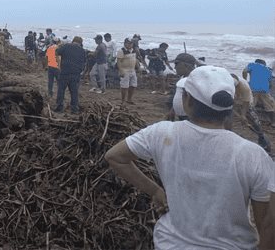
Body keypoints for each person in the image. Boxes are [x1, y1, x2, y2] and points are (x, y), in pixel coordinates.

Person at [105, 66, 273, 249]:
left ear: (186, 100)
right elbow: (266, 222)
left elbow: (115, 156)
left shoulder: (161, 132)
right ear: (229, 106)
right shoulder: (252, 154)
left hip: (169, 244)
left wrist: (155, 191)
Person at [54, 36, 86, 114]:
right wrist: (80, 71)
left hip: (65, 71)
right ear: (80, 43)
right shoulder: (82, 50)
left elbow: (56, 52)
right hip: (75, 73)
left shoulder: (67, 46)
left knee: (61, 90)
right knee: (74, 92)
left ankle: (59, 108)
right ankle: (74, 109)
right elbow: (84, 62)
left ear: (73, 41)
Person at [243, 59, 275, 125]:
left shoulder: (252, 65)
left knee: (251, 105)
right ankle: (273, 122)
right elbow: (270, 84)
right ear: (264, 64)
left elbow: (244, 71)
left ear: (256, 62)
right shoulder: (268, 70)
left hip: (254, 89)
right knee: (269, 106)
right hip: (264, 90)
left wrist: (245, 80)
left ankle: (251, 120)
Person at [116, 38, 138, 106]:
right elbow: (118, 61)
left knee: (133, 85)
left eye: (131, 43)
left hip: (132, 70)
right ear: (125, 43)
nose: (130, 44)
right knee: (124, 86)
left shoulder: (134, 50)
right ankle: (123, 101)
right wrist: (121, 70)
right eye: (128, 43)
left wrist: (138, 67)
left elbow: (135, 59)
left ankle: (129, 99)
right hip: (125, 70)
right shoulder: (121, 51)